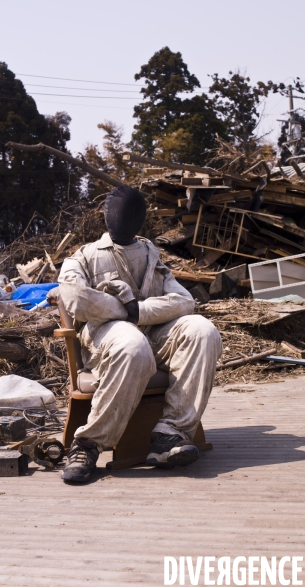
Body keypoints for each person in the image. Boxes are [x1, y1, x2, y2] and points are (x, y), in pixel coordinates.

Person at [57, 185, 222, 482]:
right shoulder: (82, 258)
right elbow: (75, 299)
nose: (126, 218)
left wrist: (140, 311)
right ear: (106, 216)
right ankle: (88, 443)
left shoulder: (150, 254)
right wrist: (124, 311)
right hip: (105, 340)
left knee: (202, 329)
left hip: (154, 334)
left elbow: (184, 300)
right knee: (132, 345)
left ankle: (170, 434)